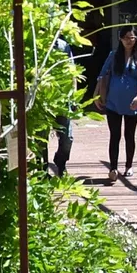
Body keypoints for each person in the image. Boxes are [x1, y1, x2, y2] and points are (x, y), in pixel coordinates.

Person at [95, 25, 137, 182]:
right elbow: (102, 75)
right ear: (120, 39)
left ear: (136, 38)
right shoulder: (113, 56)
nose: (129, 41)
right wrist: (97, 95)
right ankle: (113, 168)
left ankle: (129, 166)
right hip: (113, 102)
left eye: (132, 37)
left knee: (129, 136)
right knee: (114, 135)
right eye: (126, 38)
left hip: (133, 103)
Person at [50, 35, 75, 176]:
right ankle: (42, 169)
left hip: (62, 98)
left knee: (67, 137)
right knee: (40, 138)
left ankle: (61, 161)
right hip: (43, 97)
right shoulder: (35, 44)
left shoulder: (63, 46)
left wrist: (73, 96)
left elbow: (72, 73)